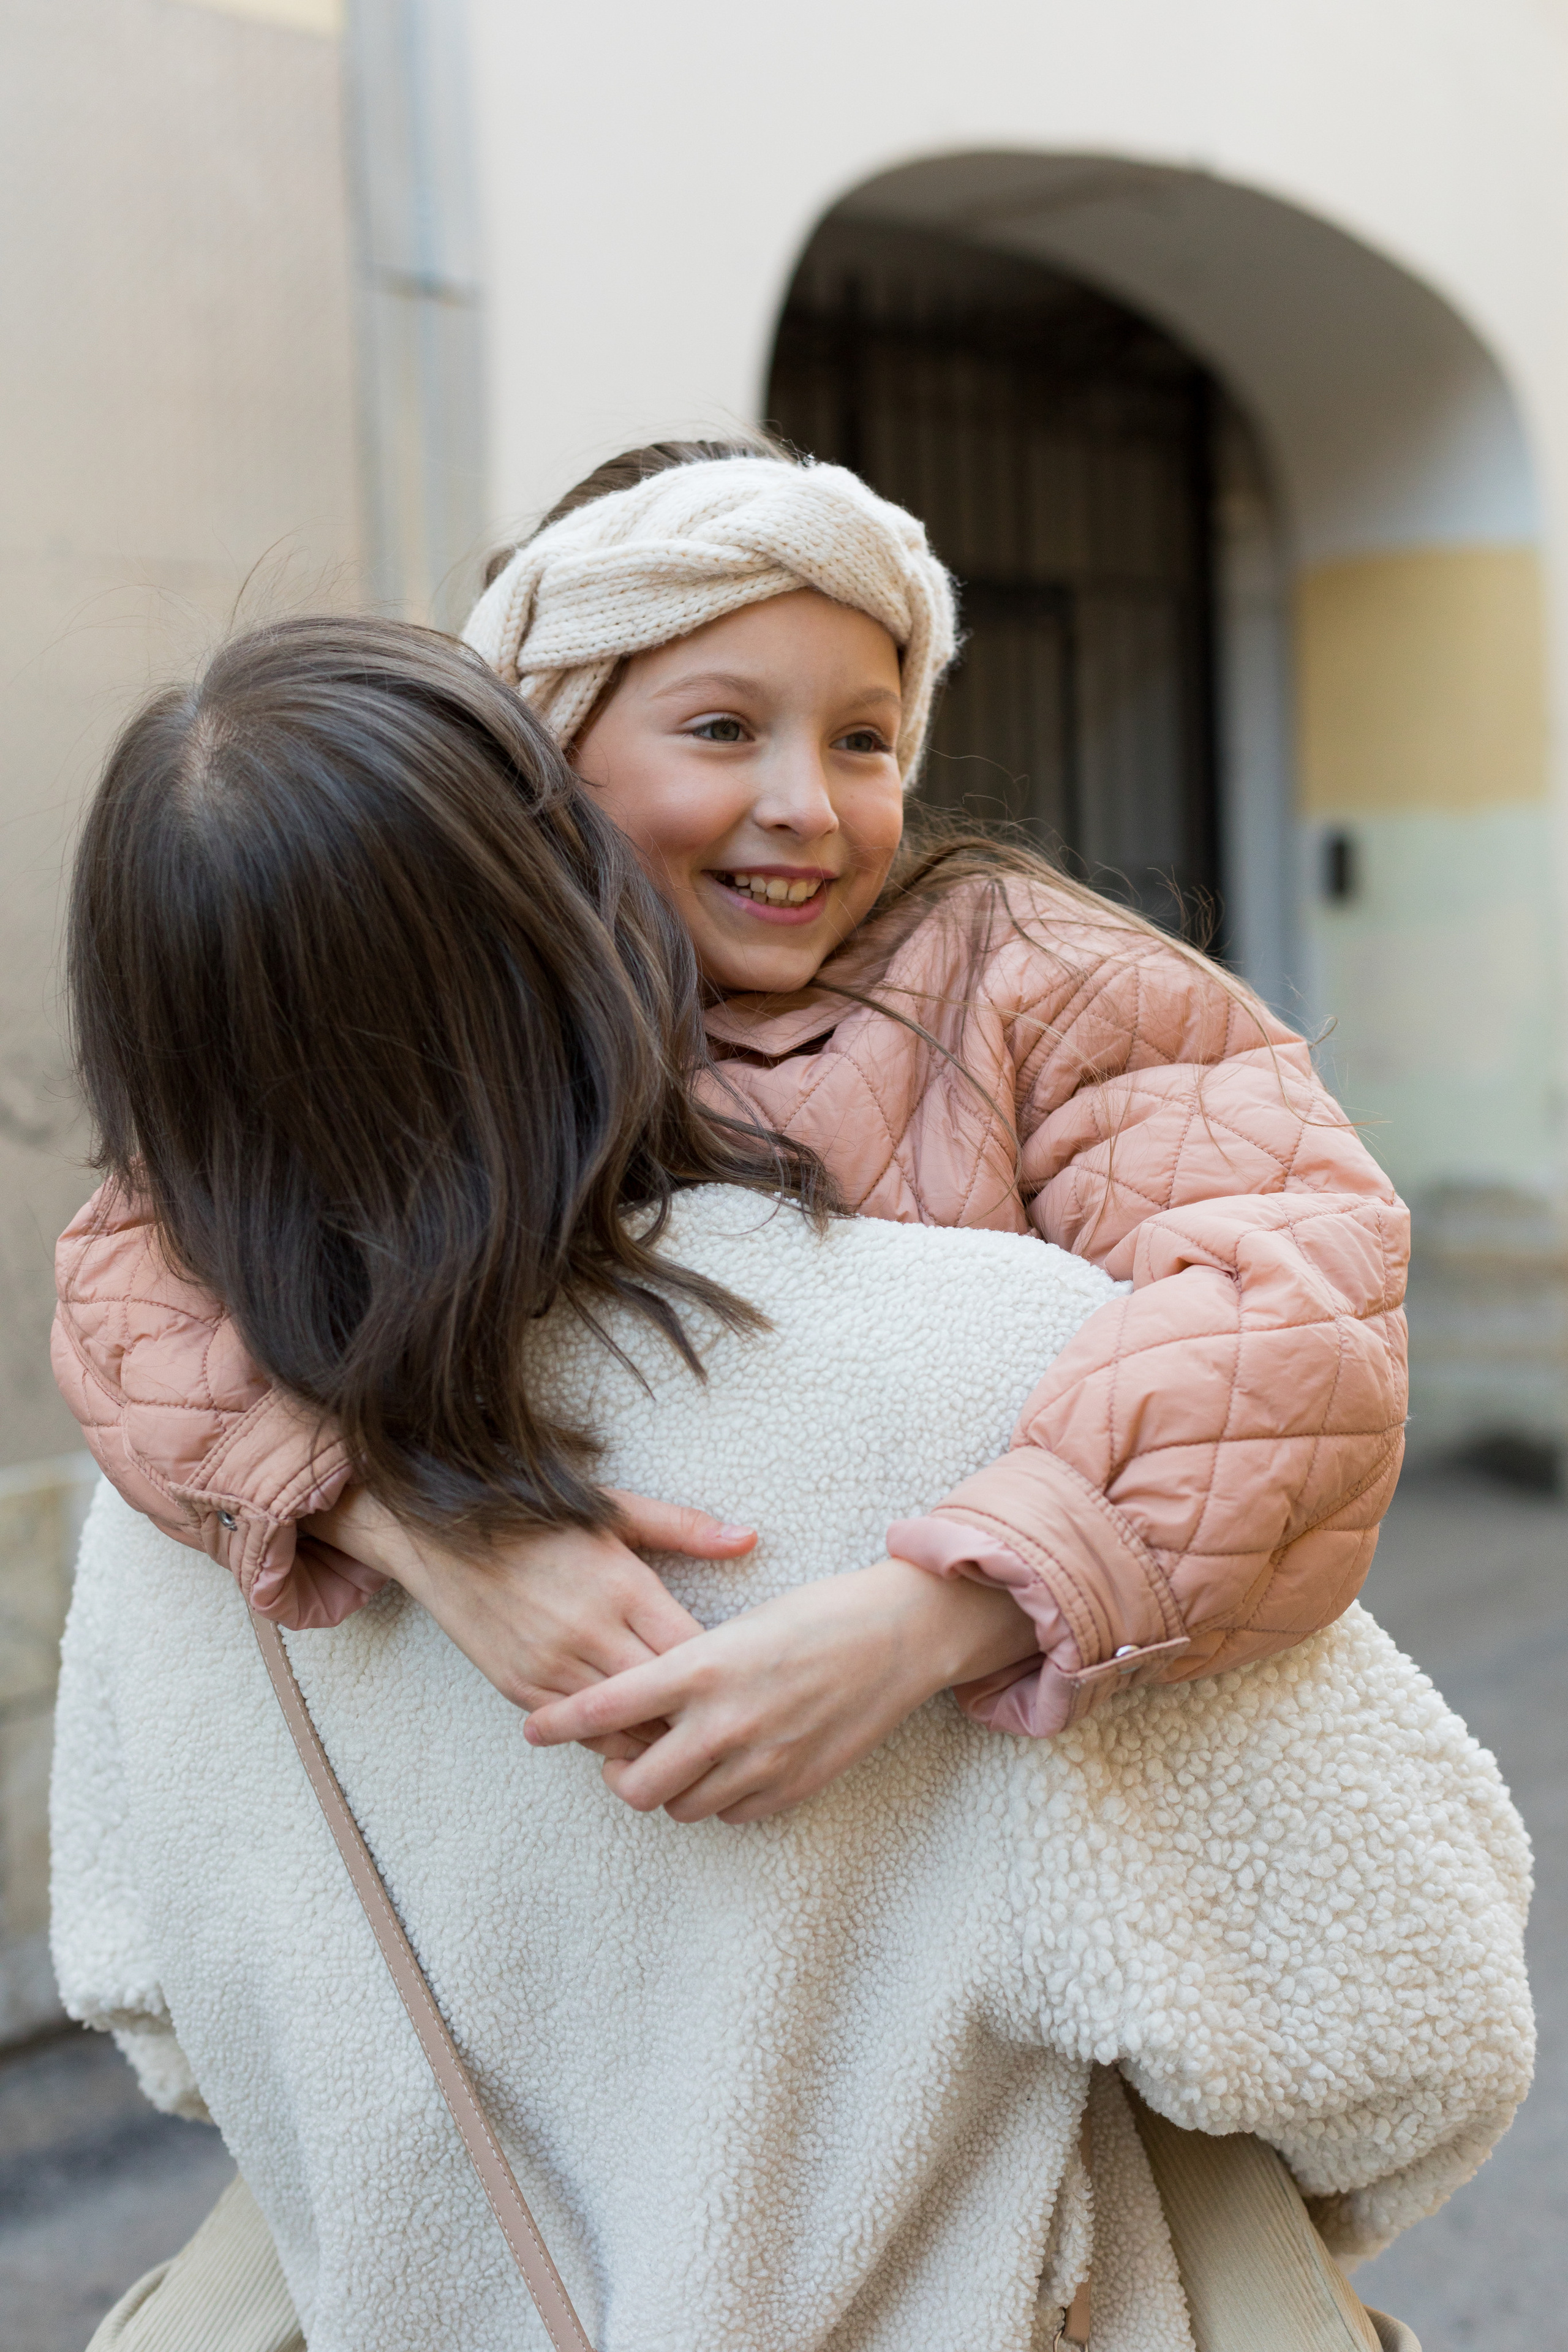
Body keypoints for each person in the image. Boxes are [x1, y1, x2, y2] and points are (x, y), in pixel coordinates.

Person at [50, 621, 1522, 2352]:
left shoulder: (192, 1499)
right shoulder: (1010, 1374)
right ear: (576, 890)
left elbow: (152, 2005)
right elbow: (1405, 2011)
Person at [53, 443, 1409, 1826]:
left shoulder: (1032, 975)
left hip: (972, 1820)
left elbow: (1300, 1313)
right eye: (720, 730)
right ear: (548, 750)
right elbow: (131, 1277)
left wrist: (932, 1619)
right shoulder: (470, 1000)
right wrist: (425, 1532)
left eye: (863, 738)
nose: (806, 807)